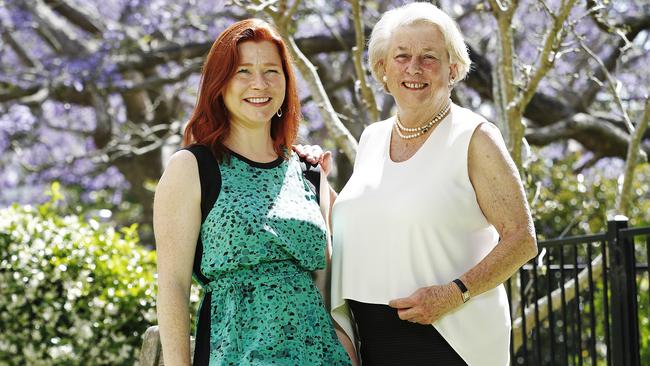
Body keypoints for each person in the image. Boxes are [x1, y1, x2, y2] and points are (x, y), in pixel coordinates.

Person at [298, 3, 538, 365]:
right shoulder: (372, 138)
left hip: (449, 339)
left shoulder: (474, 137)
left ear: (453, 69)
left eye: (429, 57)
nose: (414, 68)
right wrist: (316, 179)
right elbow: (373, 217)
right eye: (402, 56)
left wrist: (453, 293)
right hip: (374, 339)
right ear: (382, 69)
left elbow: (522, 239)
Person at [153, 19, 354, 366]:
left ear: (287, 83)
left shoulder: (307, 171)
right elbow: (173, 285)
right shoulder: (193, 167)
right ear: (220, 83)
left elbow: (330, 275)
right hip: (233, 354)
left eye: (272, 71)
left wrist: (345, 346)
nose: (259, 84)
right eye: (243, 71)